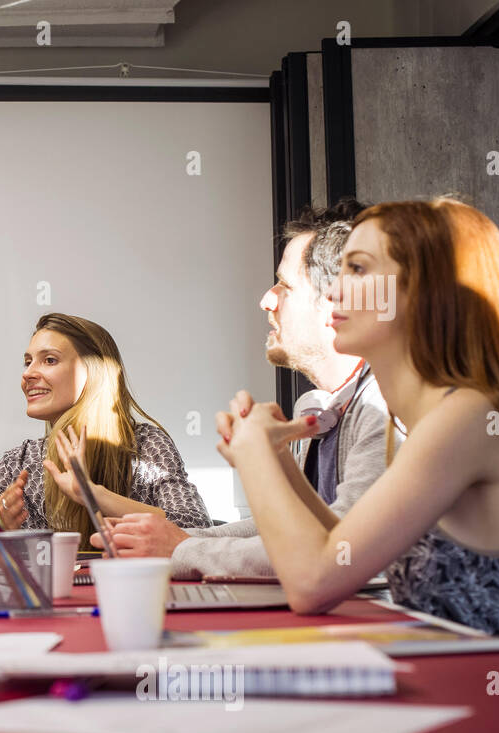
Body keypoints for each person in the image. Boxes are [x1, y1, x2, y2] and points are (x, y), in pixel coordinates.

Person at [216, 197, 499, 644]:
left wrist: (254, 456)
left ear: (422, 291)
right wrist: (279, 463)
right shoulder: (416, 419)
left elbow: (313, 584)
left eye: (358, 269)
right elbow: (344, 545)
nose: (333, 292)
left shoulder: (468, 416)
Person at [98, 200, 396, 577]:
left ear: (334, 301)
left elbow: (334, 550)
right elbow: (286, 531)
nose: (266, 299)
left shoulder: (382, 408)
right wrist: (172, 541)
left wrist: (182, 549)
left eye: (284, 286)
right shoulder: (322, 409)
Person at [0, 313, 209, 558]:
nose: (28, 374)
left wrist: (92, 494)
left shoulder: (145, 446)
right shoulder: (19, 461)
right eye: (28, 362)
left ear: (94, 371)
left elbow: (193, 530)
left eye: (49, 360)